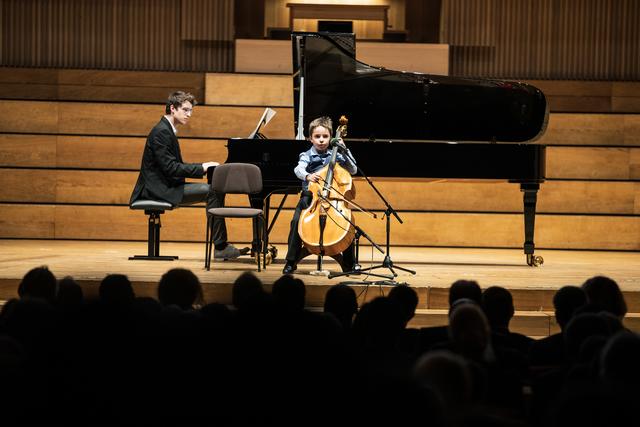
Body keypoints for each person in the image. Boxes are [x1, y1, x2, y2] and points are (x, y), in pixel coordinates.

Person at [130, 91, 240, 259]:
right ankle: (220, 246)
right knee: (213, 190)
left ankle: (221, 245)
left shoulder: (166, 129)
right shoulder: (161, 132)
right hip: (157, 189)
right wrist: (202, 167)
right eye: (185, 110)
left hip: (166, 185)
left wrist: (202, 167)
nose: (189, 114)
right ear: (172, 108)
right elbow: (171, 168)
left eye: (191, 110)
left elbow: (172, 168)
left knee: (214, 189)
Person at [282, 116, 358, 274]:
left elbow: (353, 170)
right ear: (310, 138)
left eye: (325, 136)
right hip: (310, 199)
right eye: (317, 136)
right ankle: (290, 261)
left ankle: (350, 264)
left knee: (347, 223)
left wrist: (345, 149)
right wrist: (307, 176)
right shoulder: (306, 155)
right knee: (296, 222)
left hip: (333, 201)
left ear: (331, 138)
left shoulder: (335, 154)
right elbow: (298, 169)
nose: (321, 140)